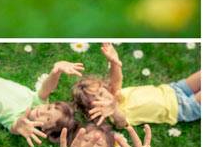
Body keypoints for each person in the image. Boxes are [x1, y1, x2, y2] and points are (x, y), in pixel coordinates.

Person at [0, 56, 79, 147]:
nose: (42, 112)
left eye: (48, 119)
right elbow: (47, 87)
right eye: (48, 108)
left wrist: (19, 126)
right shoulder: (37, 101)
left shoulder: (20, 120)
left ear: (47, 130)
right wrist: (56, 71)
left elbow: (15, 127)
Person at [73, 44, 202, 130]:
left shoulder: (115, 94)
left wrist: (114, 62)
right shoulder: (114, 116)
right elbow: (122, 122)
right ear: (94, 110)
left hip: (173, 89)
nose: (105, 95)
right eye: (98, 99)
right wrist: (114, 108)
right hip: (180, 108)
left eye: (101, 91)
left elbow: (115, 79)